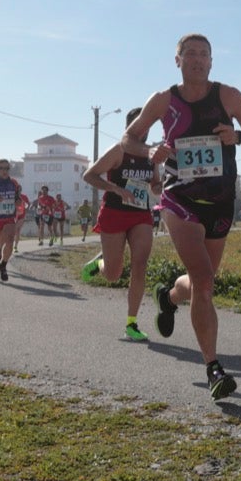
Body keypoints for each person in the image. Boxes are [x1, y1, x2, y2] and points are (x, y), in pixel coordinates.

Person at [121, 33, 241, 400]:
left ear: (212, 61)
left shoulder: (228, 96)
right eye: (191, 54)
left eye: (204, 54)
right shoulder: (164, 100)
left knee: (203, 281)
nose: (198, 59)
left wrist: (239, 138)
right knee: (203, 280)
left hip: (220, 200)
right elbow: (129, 140)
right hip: (179, 198)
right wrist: (151, 147)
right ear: (177, 60)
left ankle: (169, 297)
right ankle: (214, 367)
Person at [82, 108, 164, 342]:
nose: (143, 130)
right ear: (129, 127)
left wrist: (159, 188)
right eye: (138, 125)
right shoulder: (118, 151)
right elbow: (89, 175)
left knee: (140, 264)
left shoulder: (151, 155)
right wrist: (116, 189)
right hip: (115, 213)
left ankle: (131, 323)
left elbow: (155, 184)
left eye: (147, 125)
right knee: (113, 274)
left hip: (140, 214)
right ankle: (100, 264)